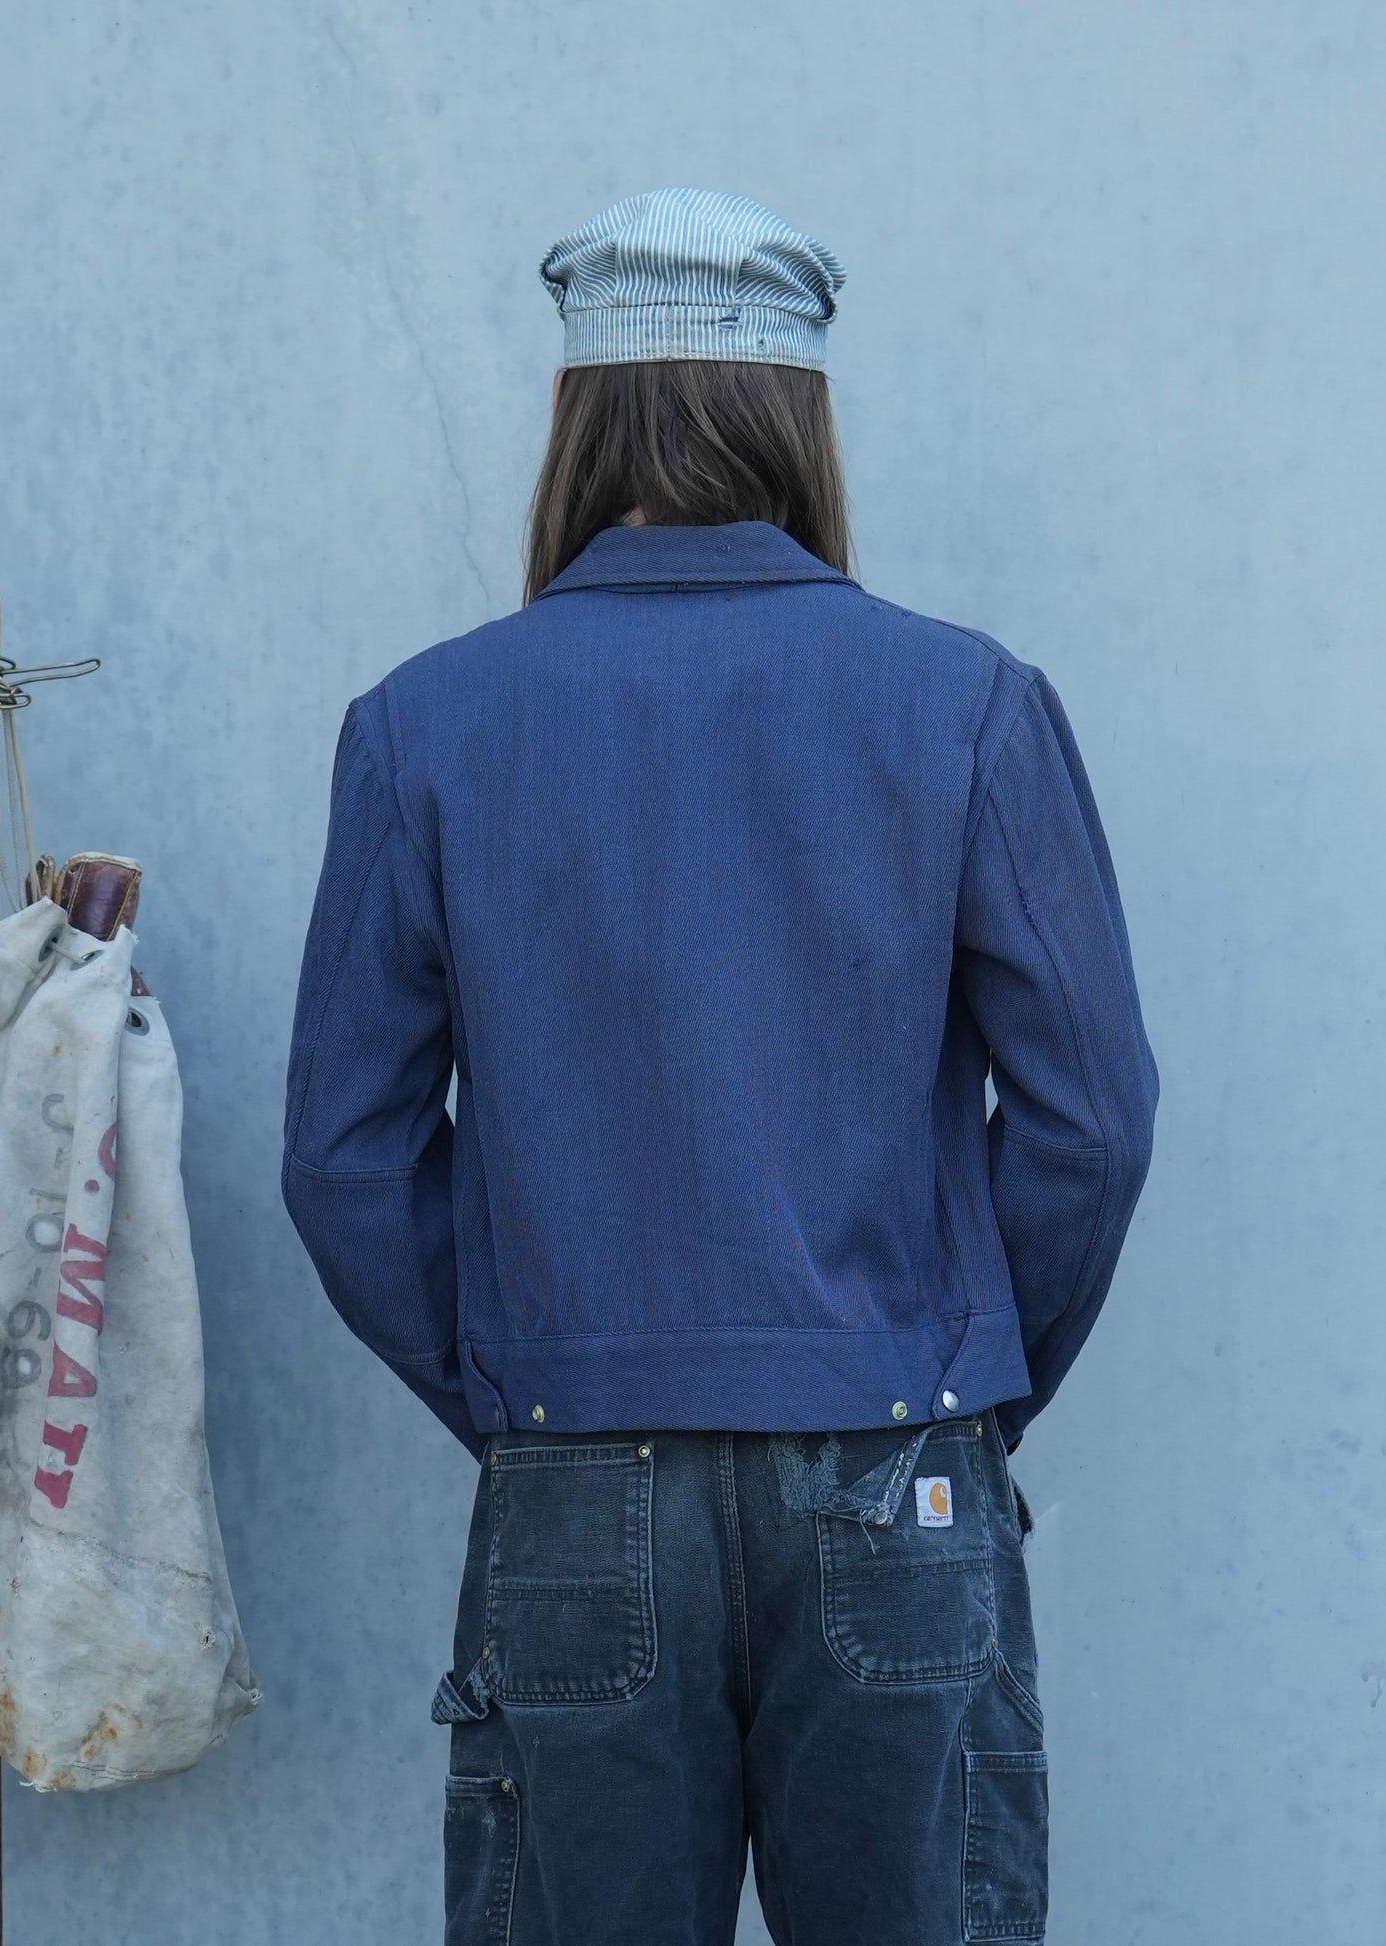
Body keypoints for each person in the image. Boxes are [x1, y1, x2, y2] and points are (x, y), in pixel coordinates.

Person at [281, 186, 1157, 1946]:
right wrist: (957, 1377)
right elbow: (1090, 1122)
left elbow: (346, 1159)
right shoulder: (965, 704)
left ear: (572, 417)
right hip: (898, 1453)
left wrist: (528, 1385)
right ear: (801, 416)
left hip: (573, 1467)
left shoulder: (424, 725)